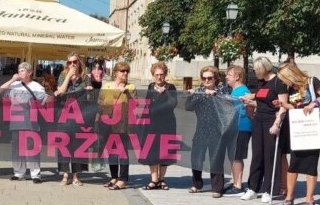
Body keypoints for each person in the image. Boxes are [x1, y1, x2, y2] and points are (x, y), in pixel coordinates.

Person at [277, 63, 320, 205]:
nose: (284, 82)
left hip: (313, 129)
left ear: (291, 74)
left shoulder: (312, 82)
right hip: (298, 129)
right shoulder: (291, 88)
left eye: (284, 78)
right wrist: (282, 104)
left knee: (311, 164)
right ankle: (290, 196)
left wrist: (314, 104)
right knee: (294, 162)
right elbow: (295, 107)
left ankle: (309, 198)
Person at [240, 57, 289, 203]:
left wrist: (277, 123)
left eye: (255, 69)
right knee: (257, 155)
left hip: (271, 121)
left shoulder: (278, 83)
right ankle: (253, 188)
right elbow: (262, 103)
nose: (254, 72)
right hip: (258, 120)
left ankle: (270, 189)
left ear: (262, 69)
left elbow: (283, 105)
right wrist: (250, 102)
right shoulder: (262, 83)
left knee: (270, 155)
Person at [0, 61, 50, 183]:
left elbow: (46, 100)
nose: (20, 72)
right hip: (16, 122)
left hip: (31, 122)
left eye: (22, 70)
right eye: (19, 70)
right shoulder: (14, 85)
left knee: (32, 148)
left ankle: (35, 174)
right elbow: (0, 91)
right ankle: (19, 172)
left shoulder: (36, 86)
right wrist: (12, 80)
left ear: (30, 72)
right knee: (17, 149)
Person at [185, 66, 231, 198]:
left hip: (217, 130)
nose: (207, 80)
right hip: (201, 129)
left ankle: (217, 187)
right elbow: (188, 107)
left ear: (215, 78)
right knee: (196, 158)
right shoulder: (199, 91)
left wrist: (216, 96)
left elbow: (228, 103)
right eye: (204, 78)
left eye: (209, 78)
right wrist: (192, 95)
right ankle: (197, 184)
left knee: (216, 159)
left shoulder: (223, 90)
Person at [53, 53, 93, 186]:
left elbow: (89, 99)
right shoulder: (63, 76)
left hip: (80, 116)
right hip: (64, 116)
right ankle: (65, 175)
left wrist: (89, 91)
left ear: (79, 62)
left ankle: (76, 175)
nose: (72, 64)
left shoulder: (85, 77)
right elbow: (61, 91)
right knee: (64, 145)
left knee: (78, 145)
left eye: (75, 62)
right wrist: (69, 77)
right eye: (69, 62)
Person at [141, 62, 178, 190]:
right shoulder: (150, 86)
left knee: (164, 150)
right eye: (156, 75)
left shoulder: (171, 87)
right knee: (152, 149)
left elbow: (173, 103)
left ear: (165, 74)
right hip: (152, 123)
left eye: (161, 74)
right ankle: (154, 179)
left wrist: (164, 94)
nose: (159, 77)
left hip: (167, 123)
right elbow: (147, 104)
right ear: (153, 75)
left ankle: (162, 179)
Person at [99, 61, 136, 190]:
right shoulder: (107, 86)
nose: (125, 73)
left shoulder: (130, 87)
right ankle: (114, 177)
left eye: (127, 71)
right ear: (116, 73)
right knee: (111, 151)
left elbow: (135, 104)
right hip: (107, 123)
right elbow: (100, 102)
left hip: (123, 124)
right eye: (122, 71)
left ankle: (123, 179)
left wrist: (126, 93)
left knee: (122, 152)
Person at [225, 66, 254, 194]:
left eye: (229, 75)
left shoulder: (242, 91)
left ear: (237, 77)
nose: (226, 77)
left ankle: (238, 185)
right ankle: (236, 180)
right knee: (234, 155)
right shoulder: (236, 91)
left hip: (241, 127)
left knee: (237, 156)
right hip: (237, 127)